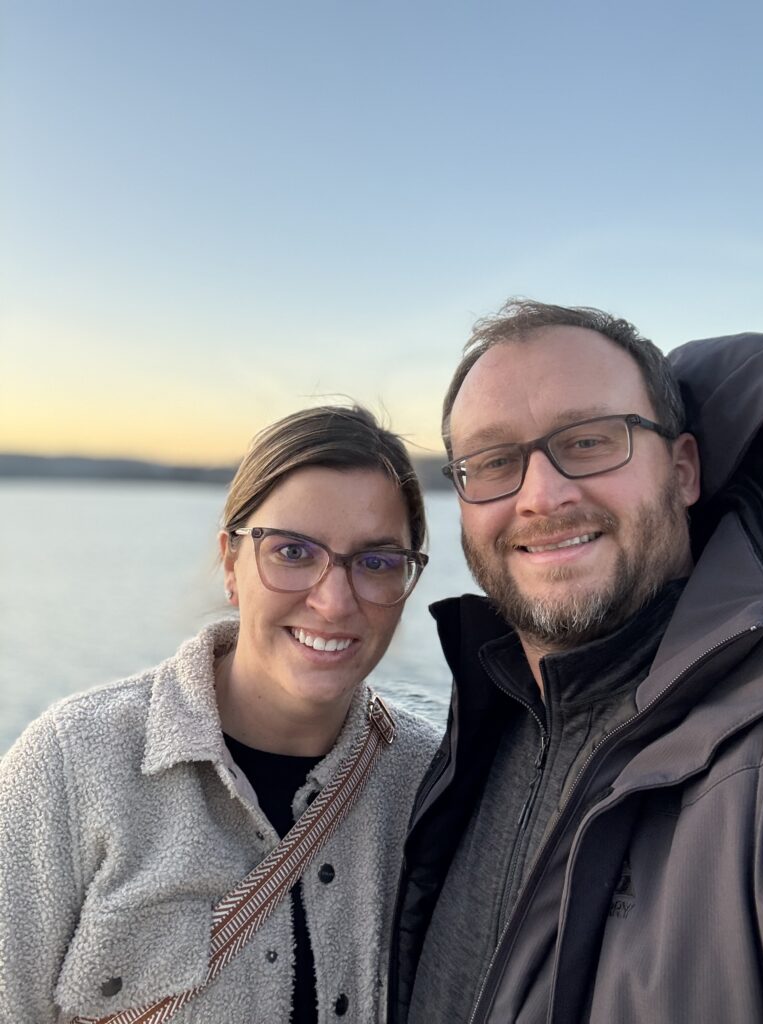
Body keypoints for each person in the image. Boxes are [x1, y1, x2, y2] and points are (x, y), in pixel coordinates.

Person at [388, 299, 763, 1024]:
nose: (542, 496)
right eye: (495, 461)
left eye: (591, 441)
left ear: (683, 470)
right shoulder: (482, 733)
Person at [0, 405, 439, 1024]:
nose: (335, 601)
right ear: (232, 564)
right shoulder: (70, 768)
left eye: (376, 562)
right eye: (292, 551)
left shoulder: (427, 782)